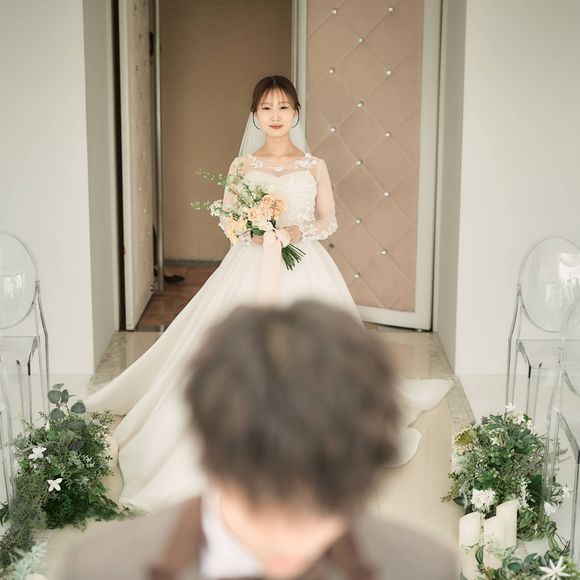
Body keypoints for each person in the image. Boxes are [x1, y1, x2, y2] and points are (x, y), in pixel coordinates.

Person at [85, 75, 451, 512]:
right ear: (255, 115)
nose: (275, 116)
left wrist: (296, 231)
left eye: (283, 107)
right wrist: (251, 231)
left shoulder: (314, 165)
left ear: (296, 113)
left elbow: (328, 219)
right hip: (250, 265)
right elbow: (228, 218)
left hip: (303, 264)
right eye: (266, 108)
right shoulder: (242, 166)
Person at [64, 302, 458, 579]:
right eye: (258, 501)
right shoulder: (101, 569)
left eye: (320, 504)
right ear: (208, 447)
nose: (287, 536)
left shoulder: (426, 568)